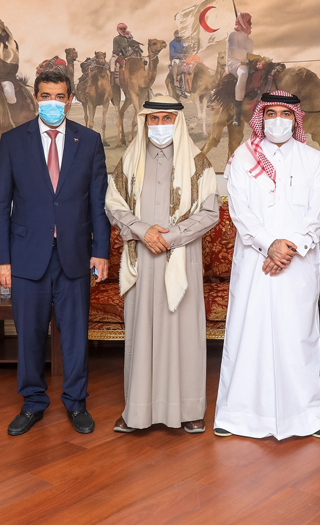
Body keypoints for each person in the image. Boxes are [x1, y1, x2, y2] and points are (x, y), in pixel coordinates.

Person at [0, 71, 111, 436]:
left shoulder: (89, 140)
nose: (53, 103)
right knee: (28, 333)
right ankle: (32, 402)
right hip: (27, 255)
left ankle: (76, 402)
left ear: (70, 99)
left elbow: (98, 202)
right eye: (46, 96)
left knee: (74, 334)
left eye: (59, 96)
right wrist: (1, 259)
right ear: (36, 97)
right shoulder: (13, 140)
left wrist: (101, 251)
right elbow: (0, 204)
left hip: (75, 254)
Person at [214, 90, 320, 440]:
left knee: (299, 337)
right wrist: (270, 245)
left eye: (285, 113)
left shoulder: (312, 159)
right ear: (260, 117)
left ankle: (308, 417)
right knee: (249, 334)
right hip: (255, 261)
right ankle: (238, 416)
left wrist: (288, 249)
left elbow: (317, 213)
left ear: (296, 118)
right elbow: (240, 211)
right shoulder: (241, 156)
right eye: (271, 113)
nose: (278, 120)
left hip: (296, 263)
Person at [105, 96, 219, 434]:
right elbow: (114, 205)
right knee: (142, 334)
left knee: (183, 333)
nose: (158, 126)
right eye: (152, 120)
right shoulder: (129, 161)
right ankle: (137, 411)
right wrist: (143, 231)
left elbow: (209, 213)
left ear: (178, 122)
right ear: (144, 122)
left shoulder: (198, 163)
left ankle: (189, 409)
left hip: (180, 259)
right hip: (143, 259)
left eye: (165, 119)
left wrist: (171, 236)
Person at [226, 12, 254, 126]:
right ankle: (237, 115)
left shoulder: (249, 40)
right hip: (234, 63)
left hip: (246, 63)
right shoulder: (233, 35)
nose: (251, 23)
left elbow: (250, 56)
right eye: (248, 21)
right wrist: (248, 56)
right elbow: (233, 51)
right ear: (242, 22)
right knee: (243, 74)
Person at [168, 31, 188, 98]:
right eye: (178, 37)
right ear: (175, 37)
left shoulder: (184, 42)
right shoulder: (172, 43)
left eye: (180, 37)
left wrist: (185, 55)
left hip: (183, 59)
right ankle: (175, 81)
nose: (179, 39)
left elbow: (187, 51)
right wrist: (178, 55)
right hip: (176, 58)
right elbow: (171, 53)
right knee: (176, 64)